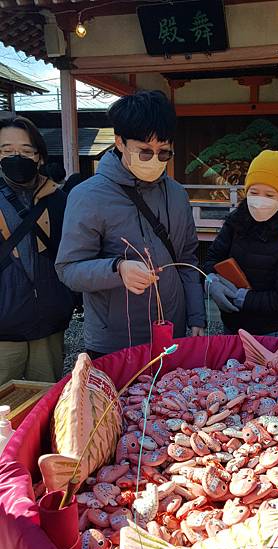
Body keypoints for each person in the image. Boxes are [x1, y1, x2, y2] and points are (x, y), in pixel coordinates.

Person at [55, 90, 205, 357]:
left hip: (172, 331)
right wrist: (118, 269)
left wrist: (196, 316)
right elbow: (68, 269)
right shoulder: (88, 196)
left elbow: (188, 260)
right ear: (120, 142)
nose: (155, 161)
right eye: (145, 152)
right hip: (115, 340)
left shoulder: (177, 195)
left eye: (164, 153)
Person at [0, 116, 74, 385]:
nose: (16, 157)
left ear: (40, 157)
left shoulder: (58, 198)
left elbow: (72, 253)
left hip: (48, 323)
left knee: (45, 401)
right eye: (7, 151)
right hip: (3, 328)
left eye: (26, 151)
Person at [204, 149, 278, 336]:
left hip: (270, 331)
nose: (260, 201)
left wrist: (245, 298)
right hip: (232, 325)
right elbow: (212, 258)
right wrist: (212, 281)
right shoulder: (235, 222)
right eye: (254, 192)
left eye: (270, 195)